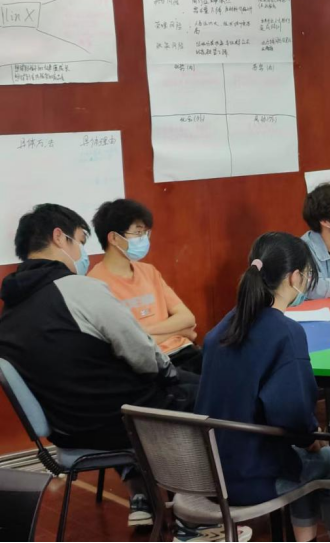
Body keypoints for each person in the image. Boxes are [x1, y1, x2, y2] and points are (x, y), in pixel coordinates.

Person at [0, 204, 196, 529]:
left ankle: (157, 498)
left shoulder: (8, 313)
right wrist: (170, 375)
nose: (83, 254)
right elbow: (142, 354)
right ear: (59, 237)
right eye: (80, 241)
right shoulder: (78, 289)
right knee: (210, 395)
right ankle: (196, 516)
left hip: (68, 431)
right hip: (119, 420)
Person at [196, 232, 330, 543]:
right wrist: (311, 440)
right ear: (295, 278)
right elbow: (294, 416)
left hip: (210, 473)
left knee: (304, 456)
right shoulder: (286, 333)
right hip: (252, 477)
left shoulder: (220, 329)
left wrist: (305, 440)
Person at [89, 199, 202, 373]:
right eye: (138, 232)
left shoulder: (149, 271)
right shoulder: (95, 284)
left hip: (185, 351)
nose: (144, 239)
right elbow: (124, 345)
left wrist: (144, 332)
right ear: (114, 238)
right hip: (150, 363)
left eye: (145, 233)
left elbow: (188, 319)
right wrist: (179, 331)